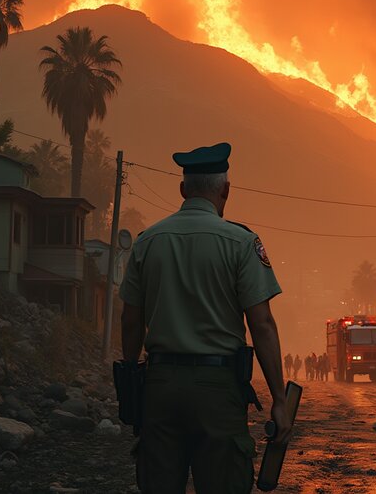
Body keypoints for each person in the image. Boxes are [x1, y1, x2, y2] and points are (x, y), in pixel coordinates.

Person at [119, 142, 291, 494]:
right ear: (226, 190)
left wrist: (133, 377)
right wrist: (278, 399)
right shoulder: (241, 243)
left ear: (183, 189)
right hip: (219, 389)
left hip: (161, 386)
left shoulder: (147, 242)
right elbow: (262, 325)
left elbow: (131, 321)